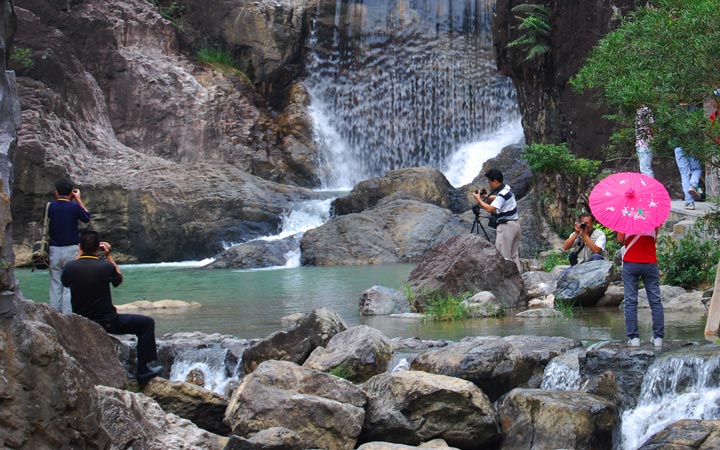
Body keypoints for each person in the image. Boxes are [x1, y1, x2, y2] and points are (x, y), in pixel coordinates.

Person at [61, 230, 163, 383]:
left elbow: (65, 282)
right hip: (107, 322)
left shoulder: (70, 267)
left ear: (80, 247)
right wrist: (108, 256)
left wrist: (79, 253)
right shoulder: (105, 267)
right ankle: (144, 370)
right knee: (147, 324)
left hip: (82, 322)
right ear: (98, 248)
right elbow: (119, 280)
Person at [48, 179, 91, 313]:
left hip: (53, 249)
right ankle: (68, 317)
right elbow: (86, 217)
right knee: (70, 284)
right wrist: (78, 199)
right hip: (71, 249)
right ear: (71, 193)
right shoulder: (74, 207)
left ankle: (55, 315)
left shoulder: (50, 207)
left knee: (55, 284)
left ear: (56, 192)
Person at [618, 228, 663, 347]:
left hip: (630, 263)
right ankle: (658, 338)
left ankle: (634, 339)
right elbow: (655, 238)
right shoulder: (653, 214)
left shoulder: (627, 214)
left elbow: (620, 239)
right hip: (650, 263)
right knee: (655, 302)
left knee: (630, 301)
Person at [472, 168, 521, 272]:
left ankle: (508, 282)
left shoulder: (501, 194)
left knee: (504, 257)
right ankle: (520, 279)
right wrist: (485, 196)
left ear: (495, 181)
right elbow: (500, 198)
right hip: (515, 225)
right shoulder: (506, 188)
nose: (489, 184)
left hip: (506, 227)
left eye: (490, 182)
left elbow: (490, 209)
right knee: (514, 256)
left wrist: (479, 199)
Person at [674, 103, 703, 210]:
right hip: (691, 145)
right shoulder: (695, 110)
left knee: (684, 174)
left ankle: (689, 202)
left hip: (678, 146)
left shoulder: (674, 113)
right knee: (697, 168)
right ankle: (693, 185)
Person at [634, 103, 655, 178]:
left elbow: (652, 126)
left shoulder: (644, 110)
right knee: (645, 169)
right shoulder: (641, 110)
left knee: (646, 170)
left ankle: (651, 189)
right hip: (642, 143)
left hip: (644, 143)